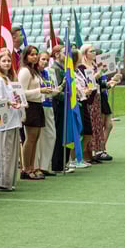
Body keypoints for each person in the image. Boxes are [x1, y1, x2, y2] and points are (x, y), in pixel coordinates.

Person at [18, 45, 52, 180]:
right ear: (26, 56)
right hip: (30, 106)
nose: (35, 57)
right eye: (31, 54)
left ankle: (31, 167)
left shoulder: (34, 71)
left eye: (36, 54)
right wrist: (40, 91)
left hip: (37, 104)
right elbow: (21, 92)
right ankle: (26, 169)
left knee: (35, 138)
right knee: (30, 139)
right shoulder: (25, 71)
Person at [0, 49, 24, 191]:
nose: (7, 63)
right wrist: (10, 103)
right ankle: (1, 181)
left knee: (11, 152)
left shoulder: (8, 78)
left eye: (9, 61)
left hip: (13, 119)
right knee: (4, 151)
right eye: (3, 61)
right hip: (3, 120)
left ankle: (9, 181)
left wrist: (19, 101)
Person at [78, 45, 104, 164]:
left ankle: (93, 152)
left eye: (94, 51)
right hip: (88, 97)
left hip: (96, 96)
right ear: (85, 53)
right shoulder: (82, 67)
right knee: (90, 125)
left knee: (96, 124)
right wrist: (95, 76)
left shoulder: (94, 65)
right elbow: (85, 82)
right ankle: (86, 154)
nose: (94, 53)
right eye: (91, 51)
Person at [34, 51, 59, 176]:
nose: (45, 62)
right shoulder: (33, 73)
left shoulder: (49, 73)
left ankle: (45, 165)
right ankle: (36, 166)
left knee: (50, 135)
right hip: (37, 105)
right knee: (38, 137)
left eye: (47, 60)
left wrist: (59, 88)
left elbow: (53, 90)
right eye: (43, 59)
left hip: (49, 106)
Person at [48, 44, 69, 173]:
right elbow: (56, 90)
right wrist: (67, 98)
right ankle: (57, 163)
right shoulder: (55, 69)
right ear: (57, 54)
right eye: (64, 53)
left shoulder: (63, 67)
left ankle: (62, 162)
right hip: (59, 104)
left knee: (63, 133)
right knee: (59, 133)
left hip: (64, 103)